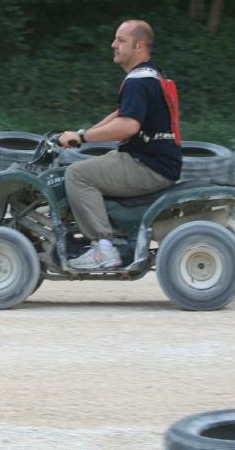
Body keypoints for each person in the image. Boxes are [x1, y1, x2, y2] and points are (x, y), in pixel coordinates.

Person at [57, 19, 182, 270]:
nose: (113, 45)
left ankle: (103, 249)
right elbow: (120, 115)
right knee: (88, 168)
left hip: (147, 164)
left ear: (139, 46)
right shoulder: (150, 74)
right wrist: (82, 134)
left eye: (121, 40)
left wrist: (83, 138)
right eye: (115, 39)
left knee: (77, 175)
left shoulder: (138, 81)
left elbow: (128, 126)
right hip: (153, 159)